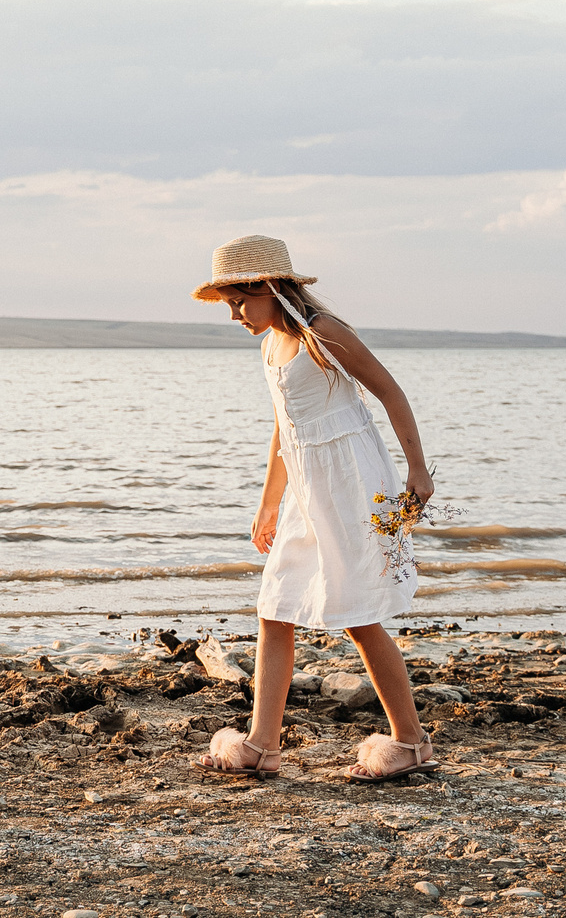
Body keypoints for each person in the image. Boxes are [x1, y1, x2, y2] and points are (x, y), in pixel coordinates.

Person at [190, 234, 438, 780]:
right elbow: (285, 429)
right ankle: (262, 745)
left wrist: (418, 473)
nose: (235, 315)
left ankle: (411, 741)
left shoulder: (323, 335)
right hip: (308, 489)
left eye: (240, 301)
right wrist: (268, 505)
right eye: (228, 304)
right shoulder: (270, 345)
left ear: (271, 287)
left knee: (357, 615)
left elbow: (391, 394)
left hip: (351, 485)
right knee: (275, 606)